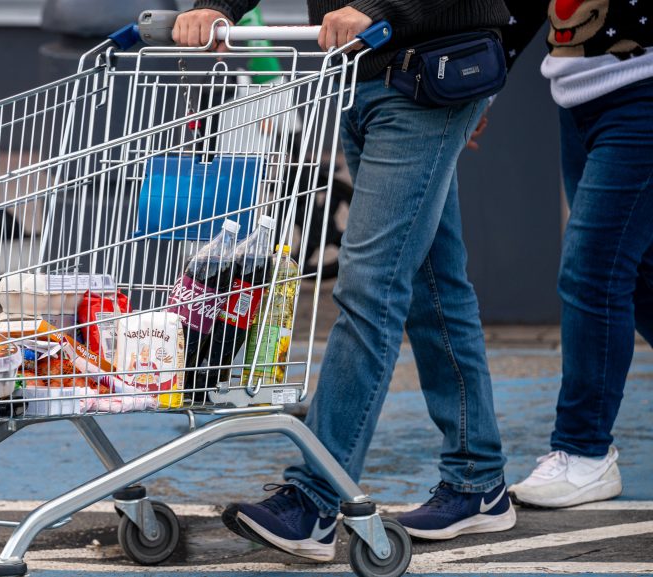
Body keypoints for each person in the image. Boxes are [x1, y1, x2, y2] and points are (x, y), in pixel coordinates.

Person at [173, 0, 516, 561]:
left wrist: (378, 8)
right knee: (434, 290)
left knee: (368, 288)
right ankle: (478, 482)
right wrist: (217, 7)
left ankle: (314, 499)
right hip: (362, 81)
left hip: (426, 73)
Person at [492, 0, 653, 509]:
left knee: (593, 273)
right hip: (579, 98)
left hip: (642, 94)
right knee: (640, 274)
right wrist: (481, 90)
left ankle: (584, 452)